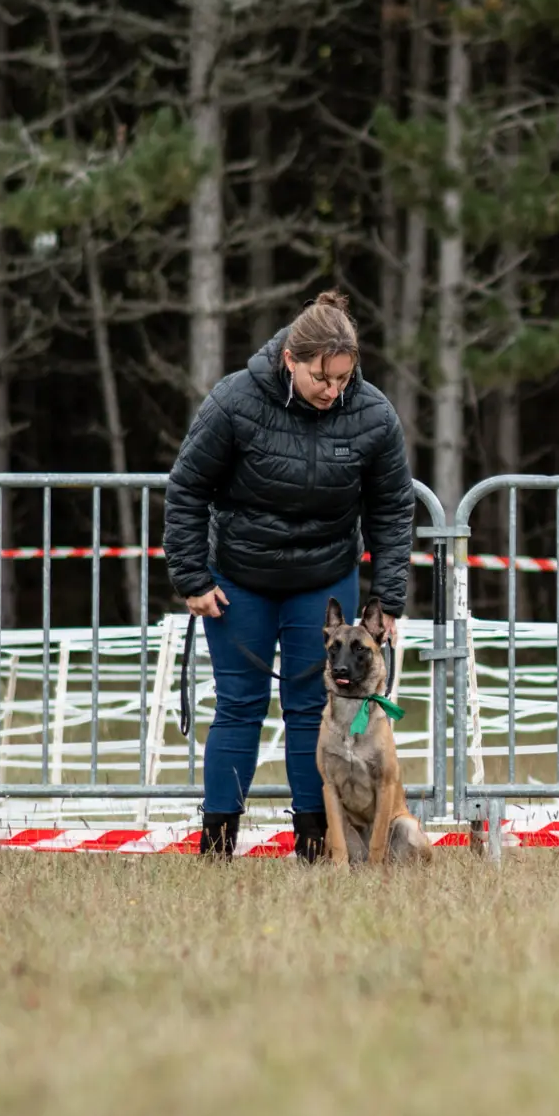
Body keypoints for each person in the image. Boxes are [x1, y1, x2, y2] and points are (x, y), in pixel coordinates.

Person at [164, 290, 414, 861]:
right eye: (322, 379)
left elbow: (392, 507)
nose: (334, 391)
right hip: (240, 580)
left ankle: (314, 845)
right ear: (290, 361)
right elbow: (186, 488)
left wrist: (390, 596)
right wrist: (192, 577)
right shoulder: (234, 400)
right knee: (238, 704)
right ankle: (217, 843)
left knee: (311, 708)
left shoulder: (373, 413)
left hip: (323, 579)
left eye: (343, 379)